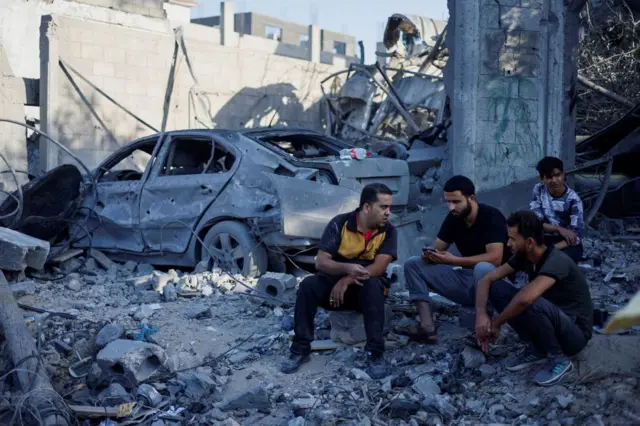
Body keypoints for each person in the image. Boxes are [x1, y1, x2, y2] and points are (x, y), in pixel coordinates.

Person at [280, 183, 397, 379]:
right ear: (367, 207)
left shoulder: (389, 231)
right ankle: (300, 349)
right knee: (308, 286)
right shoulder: (340, 224)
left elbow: (379, 268)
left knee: (374, 284)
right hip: (333, 292)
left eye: (389, 207)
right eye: (383, 207)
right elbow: (321, 262)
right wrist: (346, 269)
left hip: (365, 294)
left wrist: (348, 279)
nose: (388, 212)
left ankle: (375, 354)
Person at [475, 211, 593, 386]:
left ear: (529, 242)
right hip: (553, 319)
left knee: (530, 299)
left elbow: (525, 299)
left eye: (512, 239)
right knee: (497, 288)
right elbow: (487, 279)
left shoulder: (556, 260)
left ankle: (559, 358)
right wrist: (481, 315)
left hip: (574, 334)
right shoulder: (526, 256)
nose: (508, 244)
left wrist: (496, 323)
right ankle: (538, 348)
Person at [402, 175, 509, 344]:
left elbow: (495, 259)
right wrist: (430, 255)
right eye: (448, 202)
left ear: (471, 198)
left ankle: (487, 322)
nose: (451, 207)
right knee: (413, 264)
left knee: (482, 267)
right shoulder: (454, 217)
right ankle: (427, 328)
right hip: (465, 280)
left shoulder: (490, 216)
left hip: (491, 283)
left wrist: (454, 261)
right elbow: (438, 248)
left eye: (456, 202)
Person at [530, 156, 585, 263]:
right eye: (549, 177)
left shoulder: (573, 199)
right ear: (542, 179)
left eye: (557, 175)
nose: (554, 180)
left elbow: (576, 236)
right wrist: (559, 229)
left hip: (565, 243)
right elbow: (535, 223)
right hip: (544, 237)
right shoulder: (539, 189)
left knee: (557, 261)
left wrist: (549, 250)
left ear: (563, 174)